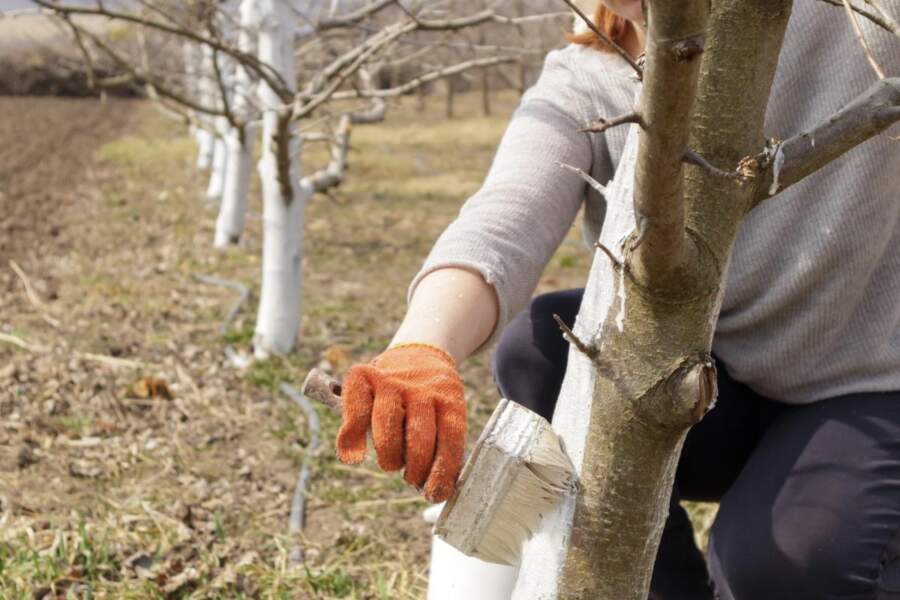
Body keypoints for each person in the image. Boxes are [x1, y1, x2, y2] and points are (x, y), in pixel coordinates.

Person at [335, 0, 900, 598]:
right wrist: (422, 346)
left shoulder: (847, 20)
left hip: (870, 387)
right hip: (709, 389)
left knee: (782, 569)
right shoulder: (590, 77)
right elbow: (503, 220)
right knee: (539, 347)